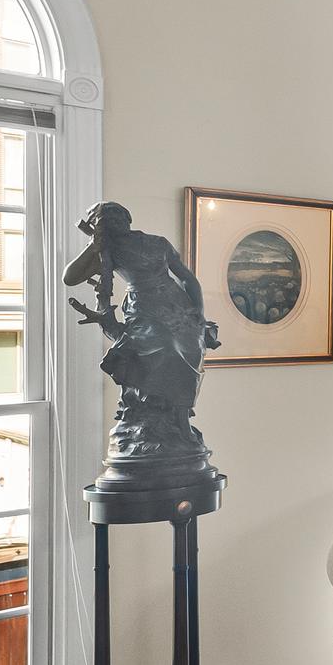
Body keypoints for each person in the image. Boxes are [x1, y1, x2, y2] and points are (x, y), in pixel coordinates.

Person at [64, 202, 221, 474]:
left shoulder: (157, 243)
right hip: (143, 309)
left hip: (175, 304)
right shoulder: (106, 248)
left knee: (192, 350)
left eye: (117, 217)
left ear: (127, 219)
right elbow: (70, 277)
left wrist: (198, 314)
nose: (113, 223)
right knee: (167, 351)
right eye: (105, 220)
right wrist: (94, 244)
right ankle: (162, 421)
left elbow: (187, 278)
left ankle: (181, 418)